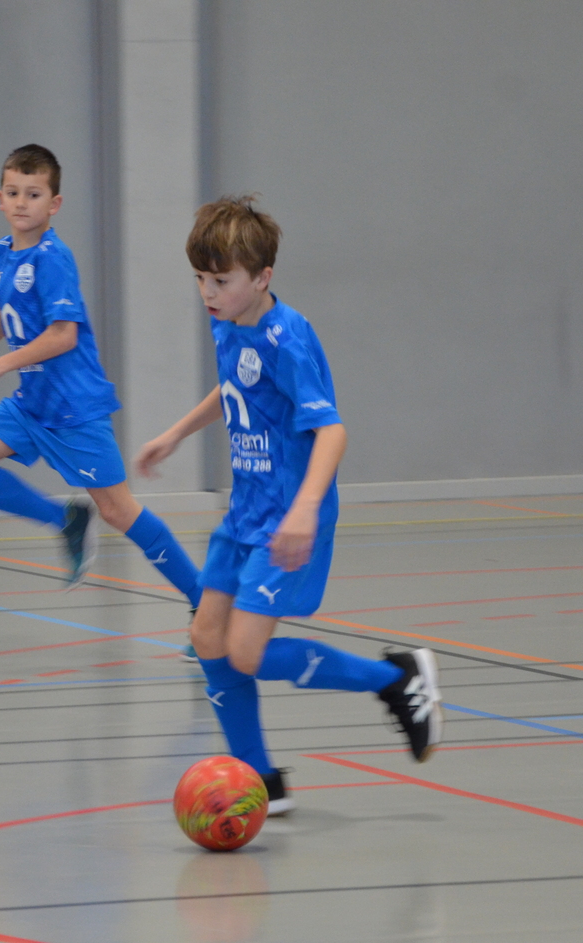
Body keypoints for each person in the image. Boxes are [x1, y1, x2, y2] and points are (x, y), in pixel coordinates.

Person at [137, 196, 442, 815]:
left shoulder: (288, 338)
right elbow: (237, 387)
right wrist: (176, 432)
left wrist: (304, 510)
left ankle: (396, 678)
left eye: (221, 281)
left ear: (262, 278)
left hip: (288, 517)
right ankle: (259, 778)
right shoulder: (230, 322)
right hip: (245, 512)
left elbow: (332, 432)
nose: (208, 293)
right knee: (206, 636)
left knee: (245, 651)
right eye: (200, 279)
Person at [0, 144, 202, 609]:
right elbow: (8, 310)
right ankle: (65, 519)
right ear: (0, 199)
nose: (22, 203)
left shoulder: (53, 258)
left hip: (74, 408)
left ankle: (202, 600)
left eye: (34, 194)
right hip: (32, 403)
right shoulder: (4, 252)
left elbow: (63, 335)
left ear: (54, 203)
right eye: (13, 193)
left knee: (119, 510)